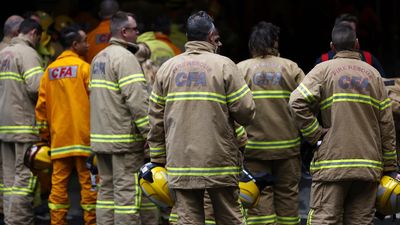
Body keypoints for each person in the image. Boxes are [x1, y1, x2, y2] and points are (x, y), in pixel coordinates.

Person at [147, 10, 255, 225]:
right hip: (219, 161)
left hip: (180, 161)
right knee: (229, 217)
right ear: (212, 37)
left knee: (188, 218)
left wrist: (158, 159)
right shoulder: (225, 65)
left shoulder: (167, 68)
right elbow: (246, 112)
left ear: (188, 37)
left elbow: (156, 119)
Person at [289, 23, 397, 224]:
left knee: (325, 219)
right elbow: (387, 123)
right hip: (368, 166)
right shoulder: (373, 75)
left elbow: (296, 102)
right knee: (360, 221)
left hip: (333, 164)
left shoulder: (322, 71)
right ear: (357, 44)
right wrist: (390, 165)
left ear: (332, 46)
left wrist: (315, 135)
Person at [237, 21, 305, 225]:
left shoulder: (240, 69)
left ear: (252, 44)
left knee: (258, 203)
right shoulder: (291, 68)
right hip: (288, 149)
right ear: (275, 41)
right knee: (288, 199)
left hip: (253, 149)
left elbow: (230, 108)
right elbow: (308, 102)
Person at [90, 11, 149, 225]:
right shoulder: (126, 58)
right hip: (123, 141)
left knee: (105, 193)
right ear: (124, 32)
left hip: (101, 138)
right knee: (126, 196)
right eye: (135, 29)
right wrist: (150, 135)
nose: (138, 32)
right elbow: (138, 101)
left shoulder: (99, 58)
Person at [35, 24, 96, 225]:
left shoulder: (49, 71)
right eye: (85, 41)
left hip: (59, 139)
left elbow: (41, 107)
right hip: (83, 138)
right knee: (88, 185)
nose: (88, 45)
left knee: (58, 186)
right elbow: (96, 102)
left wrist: (45, 137)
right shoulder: (85, 69)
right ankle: (91, 222)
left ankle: (57, 221)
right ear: (75, 44)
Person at [0, 18, 43, 225]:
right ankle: (19, 221)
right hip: (23, 125)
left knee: (8, 180)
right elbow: (37, 87)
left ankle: (9, 219)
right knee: (24, 177)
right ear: (34, 33)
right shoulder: (28, 54)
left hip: (4, 126)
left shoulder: (3, 53)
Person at [315, 13, 386, 77]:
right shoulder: (323, 60)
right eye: (343, 30)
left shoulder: (369, 59)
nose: (346, 34)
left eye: (350, 31)